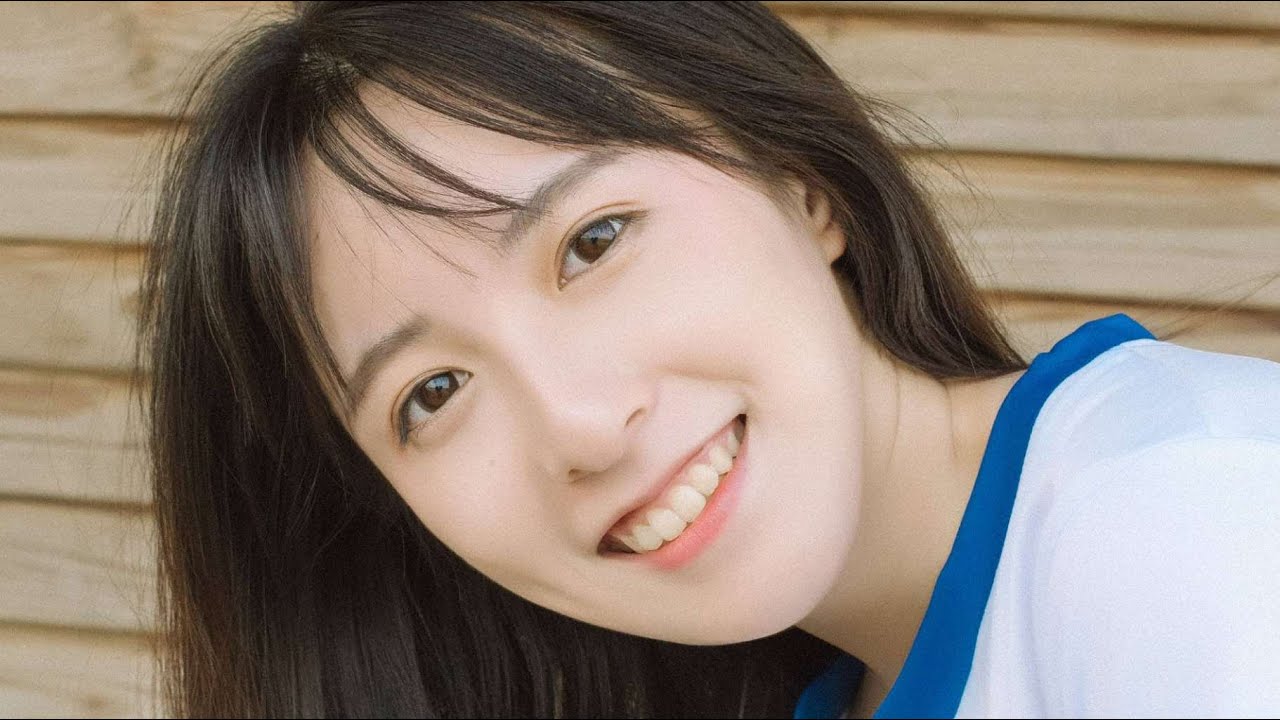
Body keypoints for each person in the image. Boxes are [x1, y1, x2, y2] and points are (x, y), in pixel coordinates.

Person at [139, 2, 1280, 717]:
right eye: (431, 394)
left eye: (593, 242)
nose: (580, 425)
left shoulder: (1183, 524)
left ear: (803, 184)